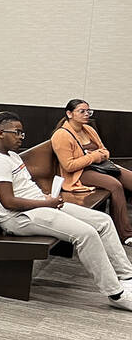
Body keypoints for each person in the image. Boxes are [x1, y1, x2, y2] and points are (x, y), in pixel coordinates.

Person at [0, 111, 132, 312]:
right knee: (86, 234)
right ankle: (115, 294)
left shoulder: (11, 155)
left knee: (102, 221)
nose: (20, 137)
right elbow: (9, 202)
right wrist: (46, 203)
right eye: (16, 133)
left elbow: (25, 187)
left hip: (39, 206)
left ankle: (126, 275)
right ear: (0, 133)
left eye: (21, 134)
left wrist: (47, 197)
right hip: (19, 218)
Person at [51, 99, 132, 245]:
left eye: (88, 111)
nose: (86, 114)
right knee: (115, 185)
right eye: (82, 111)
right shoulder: (61, 135)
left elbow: (105, 151)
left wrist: (99, 156)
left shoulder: (88, 129)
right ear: (69, 114)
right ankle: (125, 234)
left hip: (101, 166)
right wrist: (93, 156)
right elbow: (69, 165)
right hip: (79, 173)